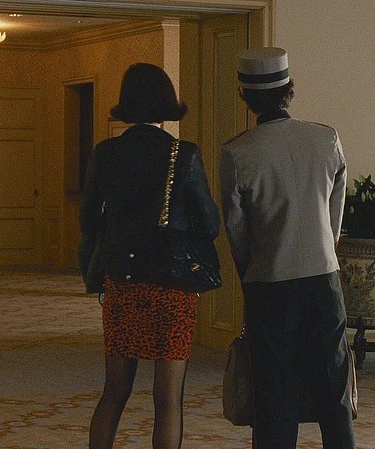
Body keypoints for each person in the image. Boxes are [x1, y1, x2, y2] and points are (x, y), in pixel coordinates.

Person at [219, 47, 355, 449]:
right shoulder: (326, 137)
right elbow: (335, 208)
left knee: (274, 390)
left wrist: (251, 271)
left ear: (243, 95)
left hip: (269, 281)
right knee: (334, 385)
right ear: (289, 88)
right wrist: (324, 245)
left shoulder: (238, 152)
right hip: (323, 277)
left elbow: (236, 229)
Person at [79, 62, 220, 449]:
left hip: (123, 282)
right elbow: (210, 224)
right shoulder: (182, 154)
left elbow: (88, 220)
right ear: (166, 103)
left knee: (114, 391)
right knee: (168, 399)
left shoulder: (105, 153)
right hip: (172, 286)